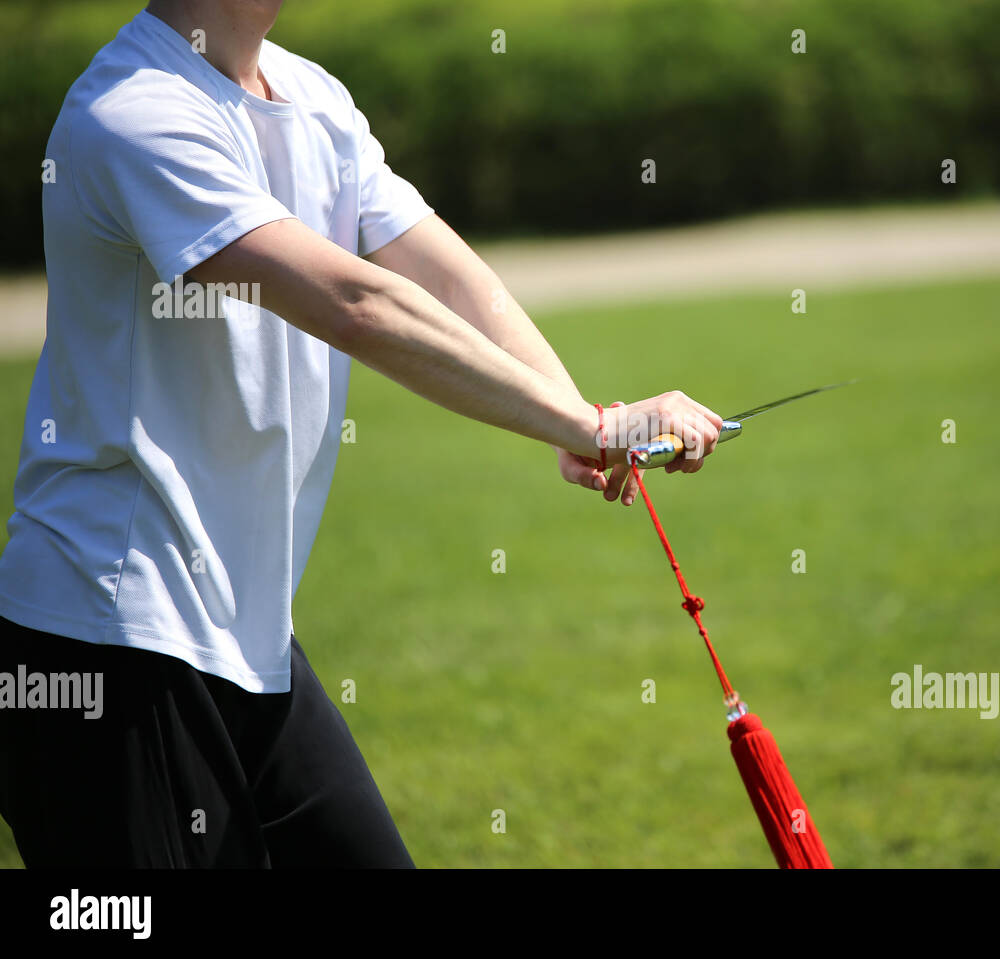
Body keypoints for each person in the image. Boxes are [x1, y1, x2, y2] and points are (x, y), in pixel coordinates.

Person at [0, 0, 721, 867]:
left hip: (245, 635)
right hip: (110, 643)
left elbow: (447, 274)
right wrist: (588, 422)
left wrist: (576, 419)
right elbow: (356, 304)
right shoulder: (135, 112)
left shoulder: (313, 98)